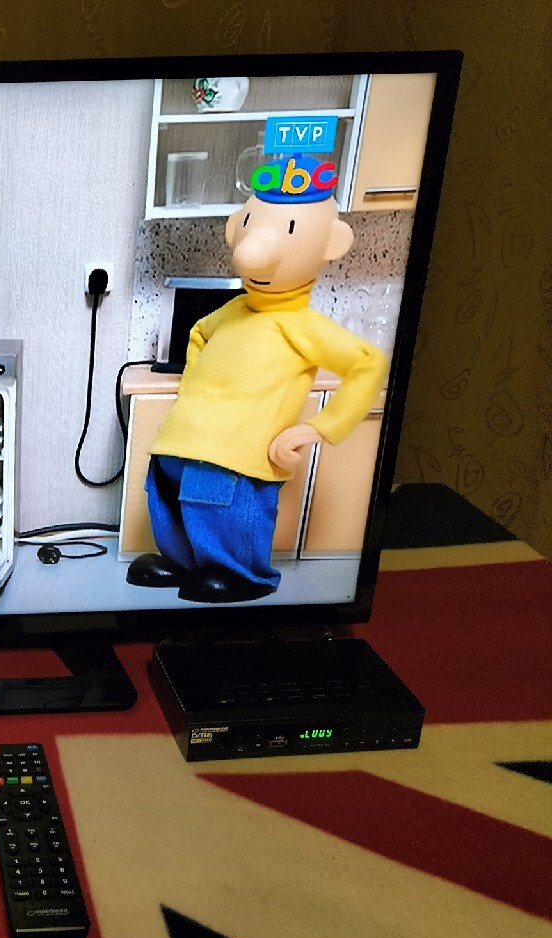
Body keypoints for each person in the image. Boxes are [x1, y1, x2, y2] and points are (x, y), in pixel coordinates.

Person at [127, 155, 388, 603]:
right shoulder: (233, 310)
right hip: (181, 441)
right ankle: (181, 561)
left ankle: (241, 574)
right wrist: (193, 397)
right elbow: (199, 333)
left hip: (239, 454)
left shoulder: (301, 325)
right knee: (167, 494)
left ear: (331, 243)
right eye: (248, 225)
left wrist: (317, 428)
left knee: (223, 505)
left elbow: (369, 363)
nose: (251, 249)